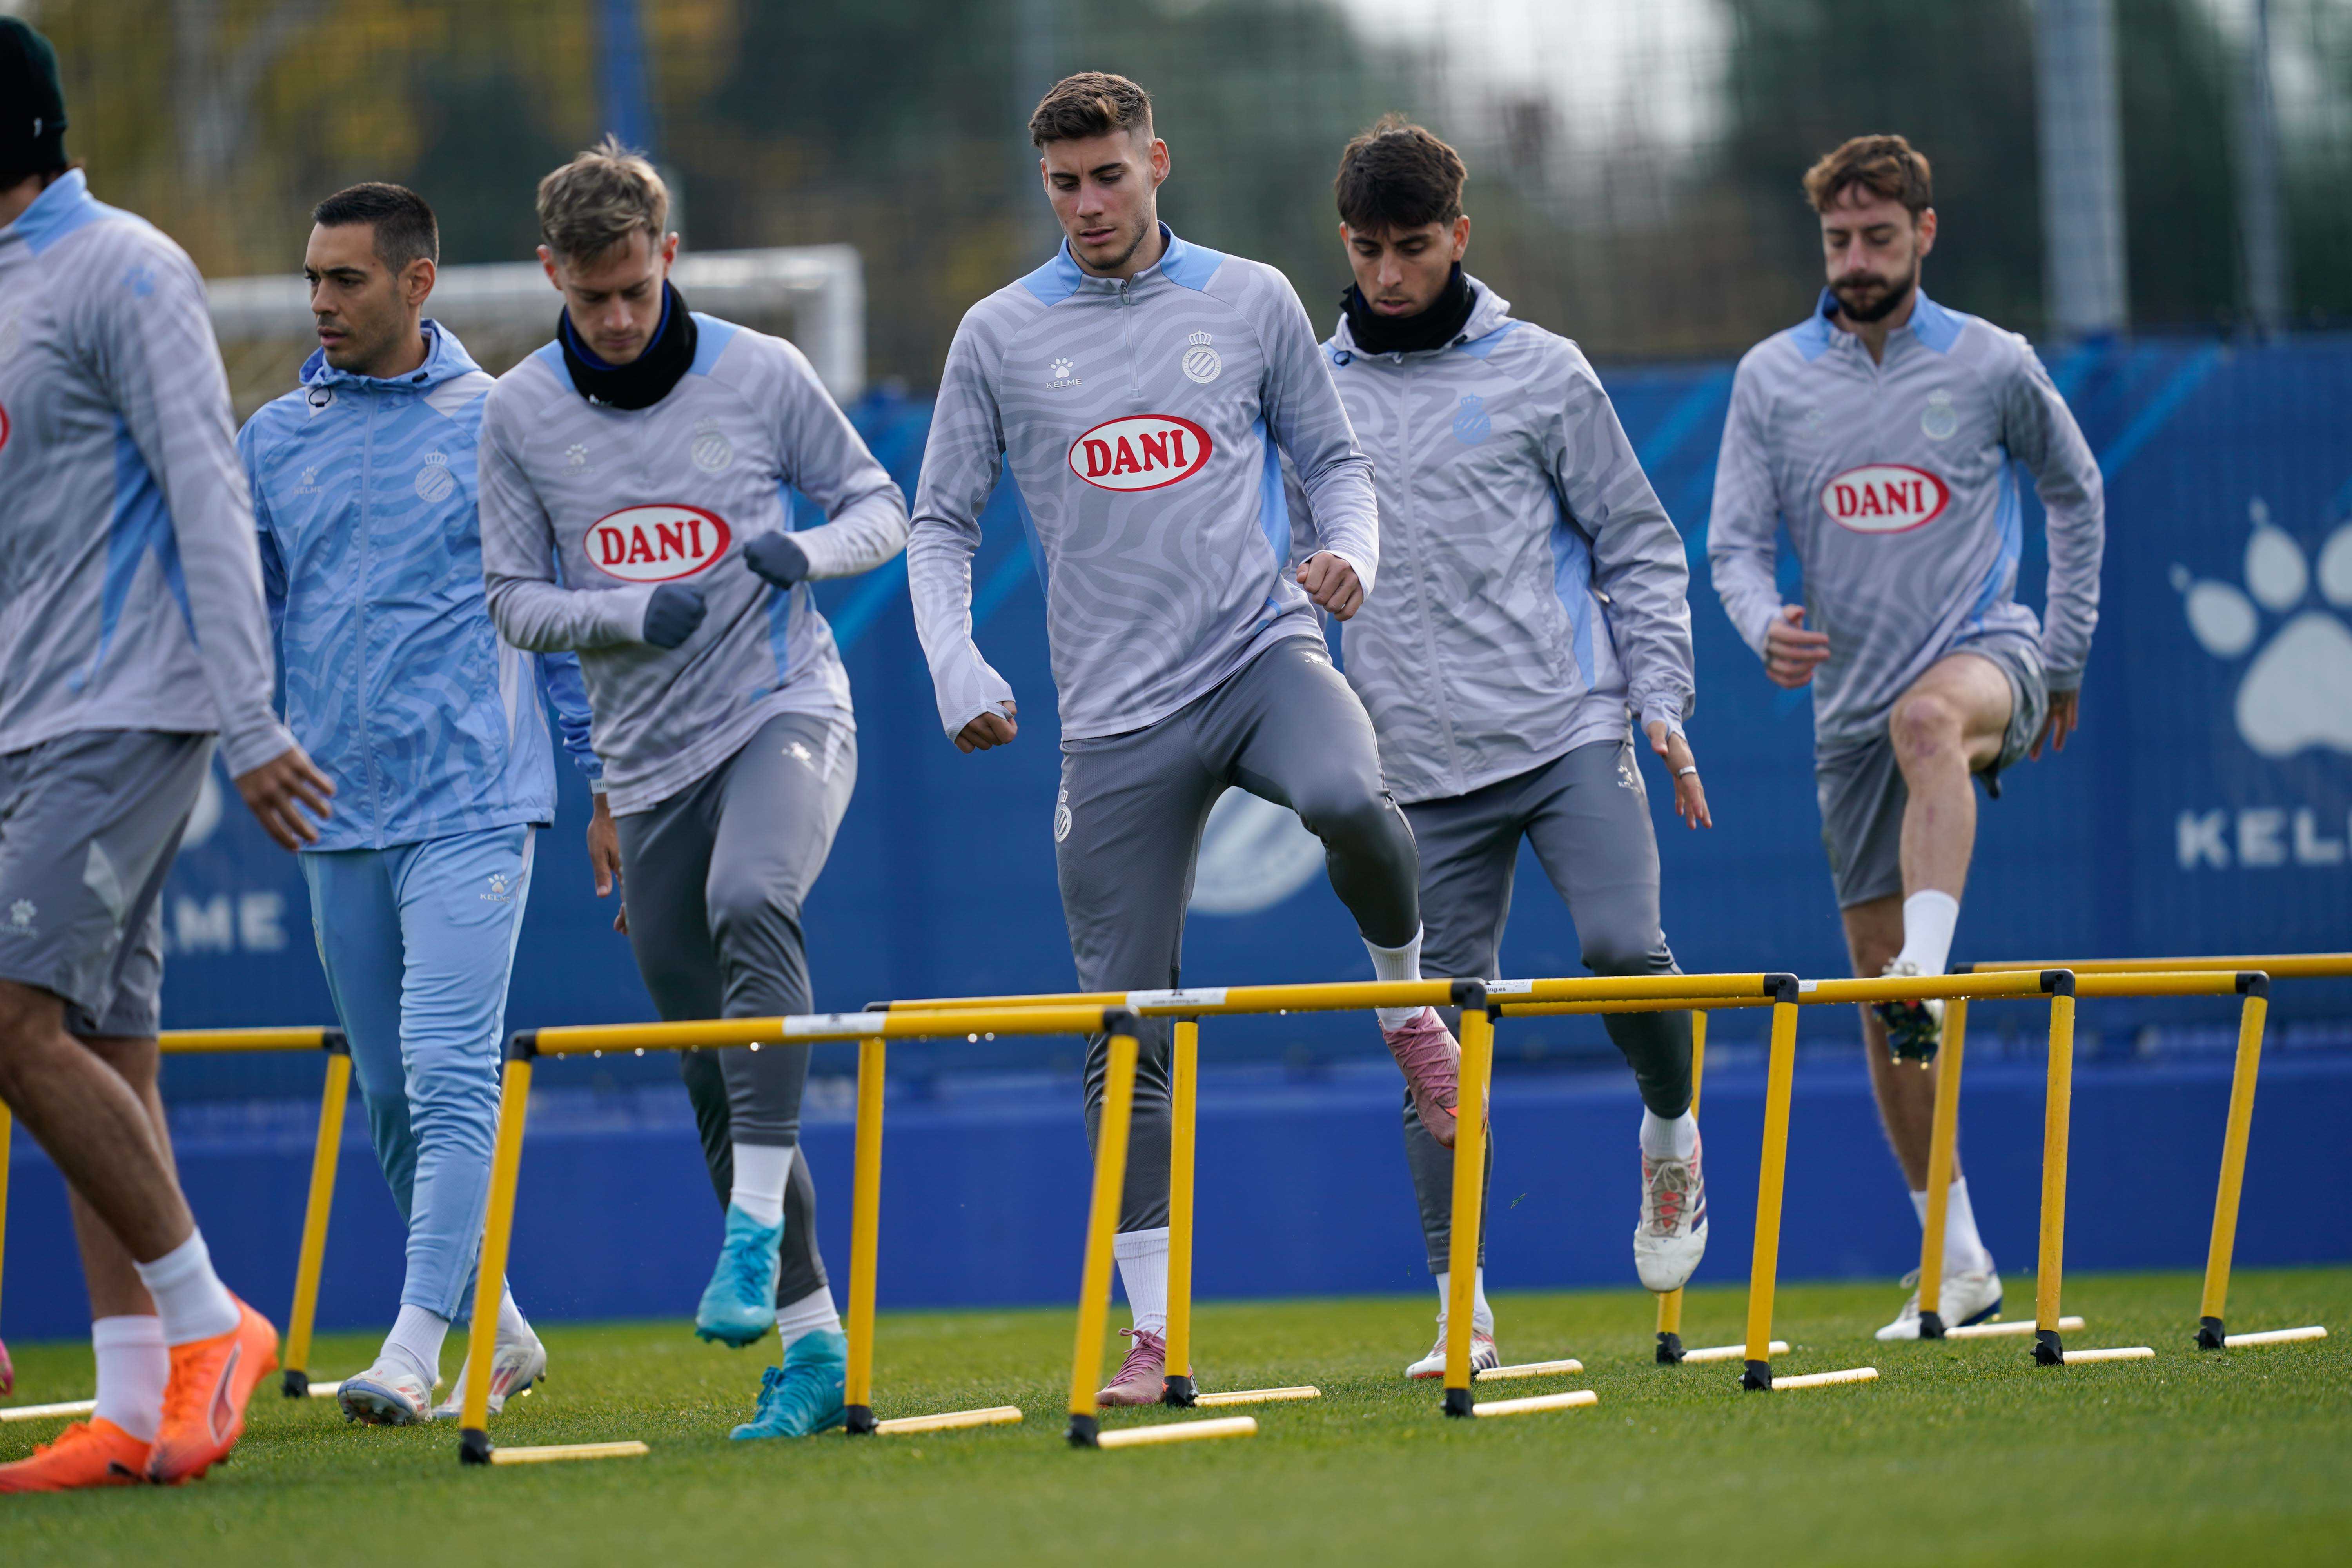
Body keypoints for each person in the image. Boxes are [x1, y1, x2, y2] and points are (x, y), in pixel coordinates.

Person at [909, 72, 1455, 1408]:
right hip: (1111, 720)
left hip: (1261, 655)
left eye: (1110, 175)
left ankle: (1406, 1005)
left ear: (1158, 163)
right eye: (1064, 184)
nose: (1088, 204)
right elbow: (940, 525)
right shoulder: (997, 332)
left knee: (1351, 798)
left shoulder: (1252, 298)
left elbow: (1337, 467)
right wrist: (953, 661)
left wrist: (1351, 554)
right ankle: (1154, 1340)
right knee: (1125, 1029)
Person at [480, 138, 909, 1439]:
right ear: (552, 275)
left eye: (636, 289)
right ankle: (813, 1350)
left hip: (785, 710)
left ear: (669, 256)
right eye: (591, 297)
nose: (618, 319)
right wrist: (620, 616)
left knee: (753, 900)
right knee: (712, 1068)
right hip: (648, 770)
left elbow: (881, 507)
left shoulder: (762, 371)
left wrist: (806, 552)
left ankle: (746, 1232)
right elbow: (512, 601)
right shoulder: (519, 412)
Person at [1301, 118, 1713, 1377]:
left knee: (1623, 951)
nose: (1388, 275)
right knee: (1437, 1039)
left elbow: (1637, 542)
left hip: (1565, 727)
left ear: (1461, 237)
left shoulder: (1544, 371)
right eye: (1367, 250)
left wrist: (1661, 696)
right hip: (1415, 768)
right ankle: (1461, 1312)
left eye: (1414, 248)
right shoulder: (1307, 391)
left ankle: (1671, 1136)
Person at [0, 16, 336, 1490]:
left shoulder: (124, 266)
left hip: (123, 709)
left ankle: (212, 1323)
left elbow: (209, 496)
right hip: (24, 719)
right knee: (99, 1050)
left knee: (12, 1021)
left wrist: (250, 720)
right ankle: (136, 1407)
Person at [1708, 135, 2104, 1338]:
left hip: (1987, 655)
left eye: (1880, 237)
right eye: (1839, 240)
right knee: (1886, 1013)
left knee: (1927, 723)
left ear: (1925, 233)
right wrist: (1762, 625)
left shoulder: (1991, 362)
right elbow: (1733, 547)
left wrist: (2065, 653)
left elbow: (2076, 489)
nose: (1858, 260)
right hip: (1846, 720)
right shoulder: (1773, 378)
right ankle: (1958, 1262)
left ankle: (1926, 966)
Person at [238, 183, 604, 1425]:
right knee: (391, 1095)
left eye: (344, 279)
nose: (321, 302)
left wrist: (604, 782)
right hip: (333, 815)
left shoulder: (507, 422)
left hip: (473, 803)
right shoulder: (272, 440)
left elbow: (561, 627)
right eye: (312, 279)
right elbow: (247, 615)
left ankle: (412, 1349)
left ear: (417, 282)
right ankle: (502, 1331)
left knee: (451, 1073)